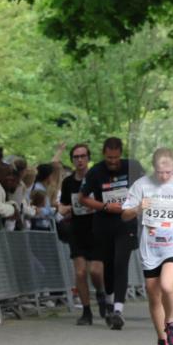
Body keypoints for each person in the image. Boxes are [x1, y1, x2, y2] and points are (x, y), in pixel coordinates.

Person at [121, 148, 173, 345]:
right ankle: (162, 341)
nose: (164, 177)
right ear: (154, 168)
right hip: (151, 247)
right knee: (153, 295)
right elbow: (124, 215)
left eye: (168, 172)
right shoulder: (142, 185)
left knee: (166, 285)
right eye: (160, 172)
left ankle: (170, 321)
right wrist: (137, 208)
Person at [77, 137, 143, 330]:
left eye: (115, 158)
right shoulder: (96, 171)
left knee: (121, 262)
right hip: (104, 225)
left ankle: (118, 311)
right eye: (108, 158)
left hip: (126, 223)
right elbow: (83, 198)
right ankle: (108, 300)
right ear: (103, 155)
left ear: (121, 154)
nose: (112, 161)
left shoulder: (133, 167)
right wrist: (105, 206)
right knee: (108, 265)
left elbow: (148, 189)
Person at [58, 143, 105, 326]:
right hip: (77, 230)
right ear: (72, 160)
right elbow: (61, 206)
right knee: (80, 272)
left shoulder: (98, 179)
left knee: (95, 271)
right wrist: (66, 208)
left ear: (88, 158)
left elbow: (106, 202)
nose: (80, 160)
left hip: (97, 229)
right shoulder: (68, 182)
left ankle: (101, 294)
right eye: (76, 157)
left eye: (83, 156)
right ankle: (86, 312)